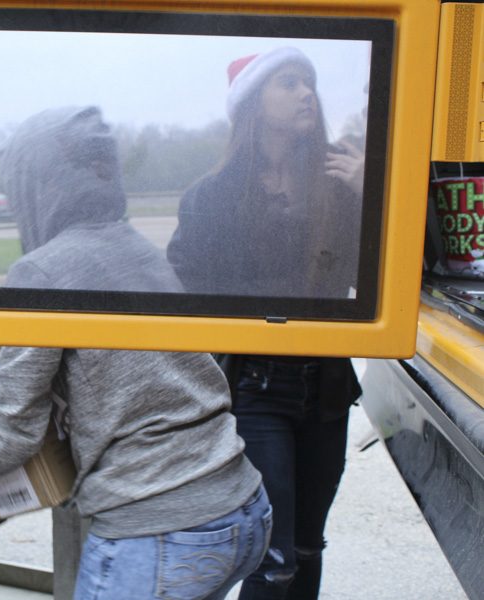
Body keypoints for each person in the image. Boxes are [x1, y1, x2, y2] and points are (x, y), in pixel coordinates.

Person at [0, 105, 271, 600]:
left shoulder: (44, 273)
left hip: (160, 528)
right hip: (241, 505)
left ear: (36, 183)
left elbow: (9, 432)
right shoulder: (134, 247)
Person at [166, 48, 363, 599]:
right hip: (254, 387)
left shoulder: (340, 182)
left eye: (311, 83)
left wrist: (372, 191)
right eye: (290, 83)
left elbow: (400, 272)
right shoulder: (213, 195)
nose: (308, 94)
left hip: (326, 385)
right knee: (273, 556)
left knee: (307, 547)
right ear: (254, 101)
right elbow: (185, 291)